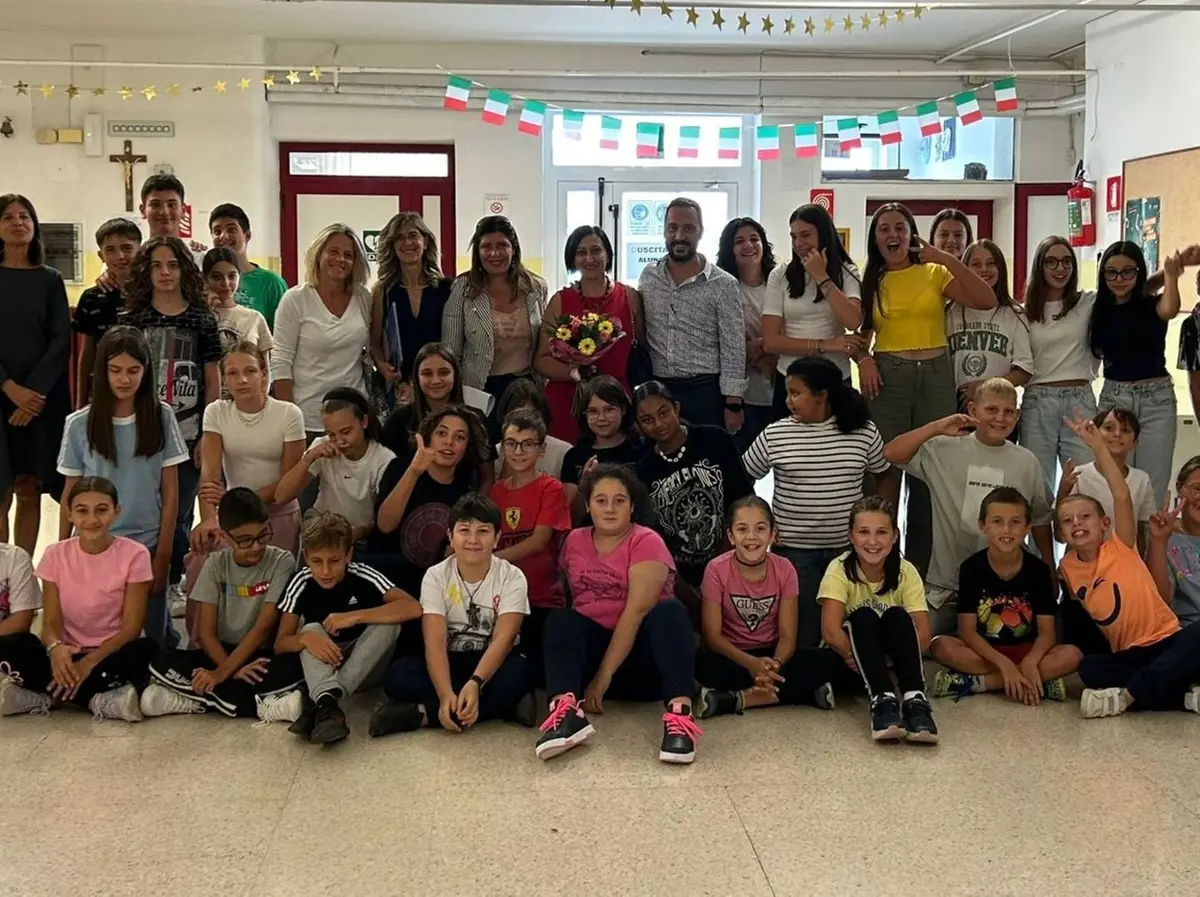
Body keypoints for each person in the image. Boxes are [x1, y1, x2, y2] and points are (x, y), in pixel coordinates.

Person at [856, 203, 996, 578]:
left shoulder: (934, 272)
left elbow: (986, 299)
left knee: (931, 476)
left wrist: (943, 257)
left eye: (900, 228)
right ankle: (877, 568)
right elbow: (859, 337)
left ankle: (920, 574)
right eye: (884, 229)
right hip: (888, 376)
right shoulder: (871, 279)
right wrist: (864, 359)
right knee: (884, 470)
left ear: (911, 234)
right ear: (875, 238)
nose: (893, 235)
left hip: (935, 376)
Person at [536, 464, 700, 764]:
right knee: (560, 619)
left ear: (632, 506)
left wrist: (603, 678)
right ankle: (566, 713)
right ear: (588, 506)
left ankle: (680, 718)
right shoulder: (574, 541)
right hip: (592, 666)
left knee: (670, 612)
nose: (610, 509)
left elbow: (635, 612)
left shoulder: (646, 540)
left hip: (643, 664)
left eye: (619, 500)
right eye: (601, 500)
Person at [883, 377, 1055, 635]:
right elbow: (891, 453)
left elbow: (1040, 517)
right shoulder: (944, 449)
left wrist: (1049, 563)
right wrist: (937, 427)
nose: (1000, 418)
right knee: (917, 638)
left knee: (1007, 638)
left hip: (1004, 586)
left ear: (1018, 415)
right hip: (947, 585)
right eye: (991, 409)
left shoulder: (1026, 461)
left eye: (1008, 412)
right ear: (973, 410)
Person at [1057, 414, 1200, 719]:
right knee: (1090, 669)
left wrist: (1099, 447)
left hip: (1168, 639)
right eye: (1068, 521)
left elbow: (1121, 494)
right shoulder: (1066, 568)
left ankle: (1129, 695)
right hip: (1130, 653)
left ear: (1104, 523)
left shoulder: (1121, 545)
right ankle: (1183, 697)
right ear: (1063, 533)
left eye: (1085, 517)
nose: (1077, 523)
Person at [742, 357, 892, 646]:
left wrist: (880, 517)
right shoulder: (775, 434)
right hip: (794, 553)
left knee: (851, 630)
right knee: (802, 634)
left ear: (821, 395)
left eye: (796, 393)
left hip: (849, 551)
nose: (788, 401)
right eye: (787, 393)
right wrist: (761, 522)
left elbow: (884, 474)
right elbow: (743, 478)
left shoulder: (863, 431)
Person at [57, 326, 187, 647]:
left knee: (153, 637)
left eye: (133, 370)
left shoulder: (161, 416)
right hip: (96, 543)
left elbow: (171, 493)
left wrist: (164, 555)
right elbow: (69, 494)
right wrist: (63, 551)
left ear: (146, 370)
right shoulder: (79, 424)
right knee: (97, 631)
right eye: (115, 370)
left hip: (147, 543)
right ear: (101, 371)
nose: (124, 379)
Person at [370, 493, 535, 737]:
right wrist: (445, 692)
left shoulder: (512, 576)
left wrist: (476, 683)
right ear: (450, 536)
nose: (473, 540)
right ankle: (504, 706)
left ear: (497, 538)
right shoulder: (436, 576)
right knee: (398, 677)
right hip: (450, 656)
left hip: (492, 659)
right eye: (464, 531)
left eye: (483, 531)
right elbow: (435, 640)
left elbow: (504, 639)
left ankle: (421, 714)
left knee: (522, 672)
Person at [140, 488, 304, 721]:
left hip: (259, 654)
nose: (256, 546)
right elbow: (206, 634)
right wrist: (231, 670)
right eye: (245, 540)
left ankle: (198, 700)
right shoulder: (215, 563)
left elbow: (263, 628)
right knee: (159, 659)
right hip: (220, 653)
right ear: (225, 537)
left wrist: (221, 674)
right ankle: (261, 705)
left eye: (262, 535)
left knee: (295, 665)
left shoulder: (282, 560)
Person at [0, 477, 155, 721]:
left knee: (145, 652)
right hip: (67, 654)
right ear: (69, 514)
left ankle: (48, 696)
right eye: (82, 511)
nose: (92, 520)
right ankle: (94, 699)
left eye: (101, 510)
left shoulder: (135, 554)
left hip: (110, 654)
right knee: (12, 645)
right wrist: (55, 649)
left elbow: (131, 628)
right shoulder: (55, 554)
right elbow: (50, 623)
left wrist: (88, 663)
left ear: (116, 511)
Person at [118, 235, 222, 597]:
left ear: (184, 270)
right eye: (157, 266)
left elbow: (213, 381)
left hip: (189, 431)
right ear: (145, 272)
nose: (165, 273)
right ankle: (135, 573)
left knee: (180, 512)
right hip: (142, 430)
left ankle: (174, 577)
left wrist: (207, 434)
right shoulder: (132, 319)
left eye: (173, 265)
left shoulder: (202, 320)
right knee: (144, 505)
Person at [275, 510, 421, 744]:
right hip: (325, 667)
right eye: (317, 561)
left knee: (390, 624)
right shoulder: (301, 581)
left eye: (334, 561)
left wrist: (354, 617)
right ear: (306, 556)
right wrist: (304, 639)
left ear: (348, 555)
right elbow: (280, 644)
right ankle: (328, 704)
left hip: (366, 666)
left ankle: (324, 702)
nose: (325, 571)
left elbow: (413, 607)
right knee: (310, 629)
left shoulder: (363, 574)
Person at [695, 496, 844, 718]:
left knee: (829, 660)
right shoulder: (716, 570)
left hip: (774, 655)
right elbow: (712, 637)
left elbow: (787, 635)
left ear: (772, 535)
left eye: (760, 529)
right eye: (742, 529)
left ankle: (739, 699)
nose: (751, 537)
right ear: (731, 536)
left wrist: (774, 665)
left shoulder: (785, 569)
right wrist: (752, 664)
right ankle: (801, 694)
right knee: (700, 665)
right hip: (734, 656)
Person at [930, 486, 1080, 702]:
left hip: (1026, 651)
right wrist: (1004, 665)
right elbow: (967, 632)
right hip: (986, 653)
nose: (1007, 530)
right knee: (940, 646)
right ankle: (1035, 681)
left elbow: (1047, 633)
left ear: (1027, 527)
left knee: (1072, 655)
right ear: (983, 525)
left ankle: (979, 683)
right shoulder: (971, 568)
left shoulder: (1038, 570)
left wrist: (1030, 661)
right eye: (997, 521)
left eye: (1015, 522)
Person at [189, 343, 305, 599]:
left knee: (269, 592)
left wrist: (238, 499)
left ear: (264, 374)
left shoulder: (289, 414)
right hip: (234, 514)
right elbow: (209, 477)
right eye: (232, 373)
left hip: (278, 512)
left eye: (250, 371)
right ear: (224, 379)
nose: (241, 380)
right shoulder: (216, 412)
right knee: (203, 561)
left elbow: (289, 483)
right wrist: (208, 519)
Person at [818, 496, 938, 742]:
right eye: (863, 532)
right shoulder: (839, 568)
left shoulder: (906, 571)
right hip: (851, 656)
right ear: (851, 536)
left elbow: (924, 635)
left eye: (881, 532)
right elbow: (830, 631)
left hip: (892, 659)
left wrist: (886, 662)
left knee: (896, 615)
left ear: (894, 536)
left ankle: (915, 699)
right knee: (863, 616)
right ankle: (882, 701)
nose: (872, 541)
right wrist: (864, 658)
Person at [634, 380, 753, 611]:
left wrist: (723, 565)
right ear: (639, 426)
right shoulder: (643, 471)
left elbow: (743, 501)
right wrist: (686, 594)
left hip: (733, 560)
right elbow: (654, 540)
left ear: (677, 408)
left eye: (663, 413)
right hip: (681, 581)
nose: (658, 424)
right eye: (647, 420)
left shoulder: (714, 439)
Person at [0, 194, 72, 555]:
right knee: (0, 492)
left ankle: (22, 575)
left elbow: (61, 340)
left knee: (29, 487)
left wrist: (33, 395)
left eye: (24, 216)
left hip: (39, 401)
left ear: (35, 225)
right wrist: (9, 387)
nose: (18, 222)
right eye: (8, 217)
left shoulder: (50, 280)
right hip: (2, 396)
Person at [637, 198, 746, 433]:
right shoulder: (649, 277)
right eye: (672, 228)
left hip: (705, 392)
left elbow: (734, 348)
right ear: (664, 230)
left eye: (688, 228)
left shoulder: (723, 284)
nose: (679, 236)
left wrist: (733, 403)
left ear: (700, 232)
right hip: (659, 391)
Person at [1088, 241, 1180, 506]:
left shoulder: (1151, 304)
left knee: (1152, 483)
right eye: (1111, 272)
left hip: (1156, 399)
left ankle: (1148, 533)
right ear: (1102, 274)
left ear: (1139, 271)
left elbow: (1170, 309)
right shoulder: (1098, 308)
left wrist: (1171, 274)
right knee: (1112, 479)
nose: (1119, 279)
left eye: (1127, 271)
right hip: (1115, 398)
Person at [372, 406, 488, 600]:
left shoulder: (465, 494)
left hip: (428, 589)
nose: (449, 442)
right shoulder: (401, 468)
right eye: (441, 433)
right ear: (428, 438)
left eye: (459, 437)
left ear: (467, 447)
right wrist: (414, 471)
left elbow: (450, 560)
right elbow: (385, 525)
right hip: (384, 582)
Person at [536, 225, 640, 443]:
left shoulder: (629, 297)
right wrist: (575, 372)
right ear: (572, 258)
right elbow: (541, 360)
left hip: (616, 401)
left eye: (596, 250)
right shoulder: (560, 300)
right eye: (581, 252)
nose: (589, 258)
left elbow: (641, 345)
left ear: (607, 254)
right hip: (568, 400)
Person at [761, 203, 863, 420]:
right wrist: (824, 345)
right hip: (791, 379)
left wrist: (821, 277)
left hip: (835, 377)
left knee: (837, 439)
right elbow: (771, 341)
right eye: (793, 236)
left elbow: (853, 321)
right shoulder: (780, 275)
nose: (798, 243)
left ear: (823, 234)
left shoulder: (846, 271)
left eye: (805, 235)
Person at [271, 223, 371, 443]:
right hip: (308, 419)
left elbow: (373, 348)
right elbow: (280, 361)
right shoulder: (295, 299)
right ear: (318, 255)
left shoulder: (363, 297)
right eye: (333, 251)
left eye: (348, 255)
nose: (340, 259)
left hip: (354, 417)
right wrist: (289, 418)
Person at [489, 409, 571, 670]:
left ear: (541, 449)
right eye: (511, 443)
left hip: (542, 598)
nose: (518, 451)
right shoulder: (496, 491)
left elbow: (538, 541)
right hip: (503, 600)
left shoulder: (551, 488)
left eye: (527, 444)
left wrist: (489, 560)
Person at [1019, 236, 1099, 491]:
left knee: (1084, 482)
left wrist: (1170, 272)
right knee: (1037, 484)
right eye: (1051, 262)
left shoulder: (1087, 302)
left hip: (1079, 401)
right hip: (1038, 401)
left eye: (1066, 262)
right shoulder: (1023, 312)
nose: (1060, 268)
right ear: (1039, 267)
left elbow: (1136, 290)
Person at [442, 215, 548, 405]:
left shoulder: (536, 287)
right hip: (479, 390)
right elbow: (451, 351)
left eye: (502, 245)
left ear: (513, 249)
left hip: (527, 389)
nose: (494, 253)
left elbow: (545, 344)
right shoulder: (463, 288)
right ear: (478, 252)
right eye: (486, 247)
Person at [276, 388, 395, 544]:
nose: (339, 441)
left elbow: (385, 520)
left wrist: (358, 532)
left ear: (364, 422)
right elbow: (282, 497)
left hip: (361, 534)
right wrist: (308, 459)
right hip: (321, 524)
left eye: (346, 431)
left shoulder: (384, 459)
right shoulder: (322, 446)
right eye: (331, 434)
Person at [369, 212, 451, 406]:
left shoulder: (447, 288)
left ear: (426, 241)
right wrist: (382, 366)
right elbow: (374, 342)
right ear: (392, 246)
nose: (407, 243)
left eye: (413, 235)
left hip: (439, 385)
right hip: (401, 388)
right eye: (399, 238)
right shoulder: (383, 290)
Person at [947, 240, 1032, 411]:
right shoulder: (949, 312)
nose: (984, 269)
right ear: (964, 270)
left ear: (1001, 269)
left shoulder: (1014, 314)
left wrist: (985, 387)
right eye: (975, 264)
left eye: (991, 263)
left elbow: (1024, 371)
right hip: (954, 406)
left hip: (998, 410)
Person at [716, 217, 778, 449]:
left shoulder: (779, 283)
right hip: (744, 395)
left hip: (781, 388)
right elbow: (728, 343)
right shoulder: (724, 288)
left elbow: (791, 329)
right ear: (729, 249)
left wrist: (761, 344)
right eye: (739, 241)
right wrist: (761, 350)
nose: (748, 245)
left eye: (754, 239)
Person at [1059, 407, 1155, 553]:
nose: (1117, 434)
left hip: (1123, 559)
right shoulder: (1078, 475)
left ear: (1135, 442)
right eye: (1109, 428)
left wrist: (1137, 563)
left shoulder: (1142, 479)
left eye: (1125, 430)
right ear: (1094, 433)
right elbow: (1060, 533)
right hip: (1083, 559)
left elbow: (1141, 531)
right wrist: (1063, 490)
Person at [72, 217, 141, 407]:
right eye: (111, 250)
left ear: (140, 251)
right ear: (101, 256)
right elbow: (87, 354)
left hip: (142, 390)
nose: (120, 256)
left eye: (127, 248)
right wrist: (80, 403)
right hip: (102, 391)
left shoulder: (151, 294)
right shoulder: (91, 298)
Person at [209, 203, 288, 329]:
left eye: (231, 230)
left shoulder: (271, 283)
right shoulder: (205, 282)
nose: (223, 236)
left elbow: (283, 333)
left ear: (247, 235)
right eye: (217, 232)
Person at [559, 375, 643, 487]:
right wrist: (584, 483)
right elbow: (571, 498)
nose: (601, 418)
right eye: (593, 411)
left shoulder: (641, 450)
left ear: (623, 409)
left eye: (609, 410)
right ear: (585, 414)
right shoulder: (574, 457)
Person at [1152, 457, 1200, 625]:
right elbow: (1161, 600)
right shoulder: (1165, 537)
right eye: (1197, 488)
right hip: (1188, 631)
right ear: (1180, 489)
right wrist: (1158, 541)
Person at [492, 378, 570, 479]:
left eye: (531, 414)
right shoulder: (497, 452)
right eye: (517, 415)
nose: (525, 421)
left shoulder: (563, 452)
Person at [202, 247, 273, 357]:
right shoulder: (198, 316)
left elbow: (265, 364)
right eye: (217, 277)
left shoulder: (255, 318)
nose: (226, 283)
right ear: (205, 279)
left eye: (232, 276)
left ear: (239, 276)